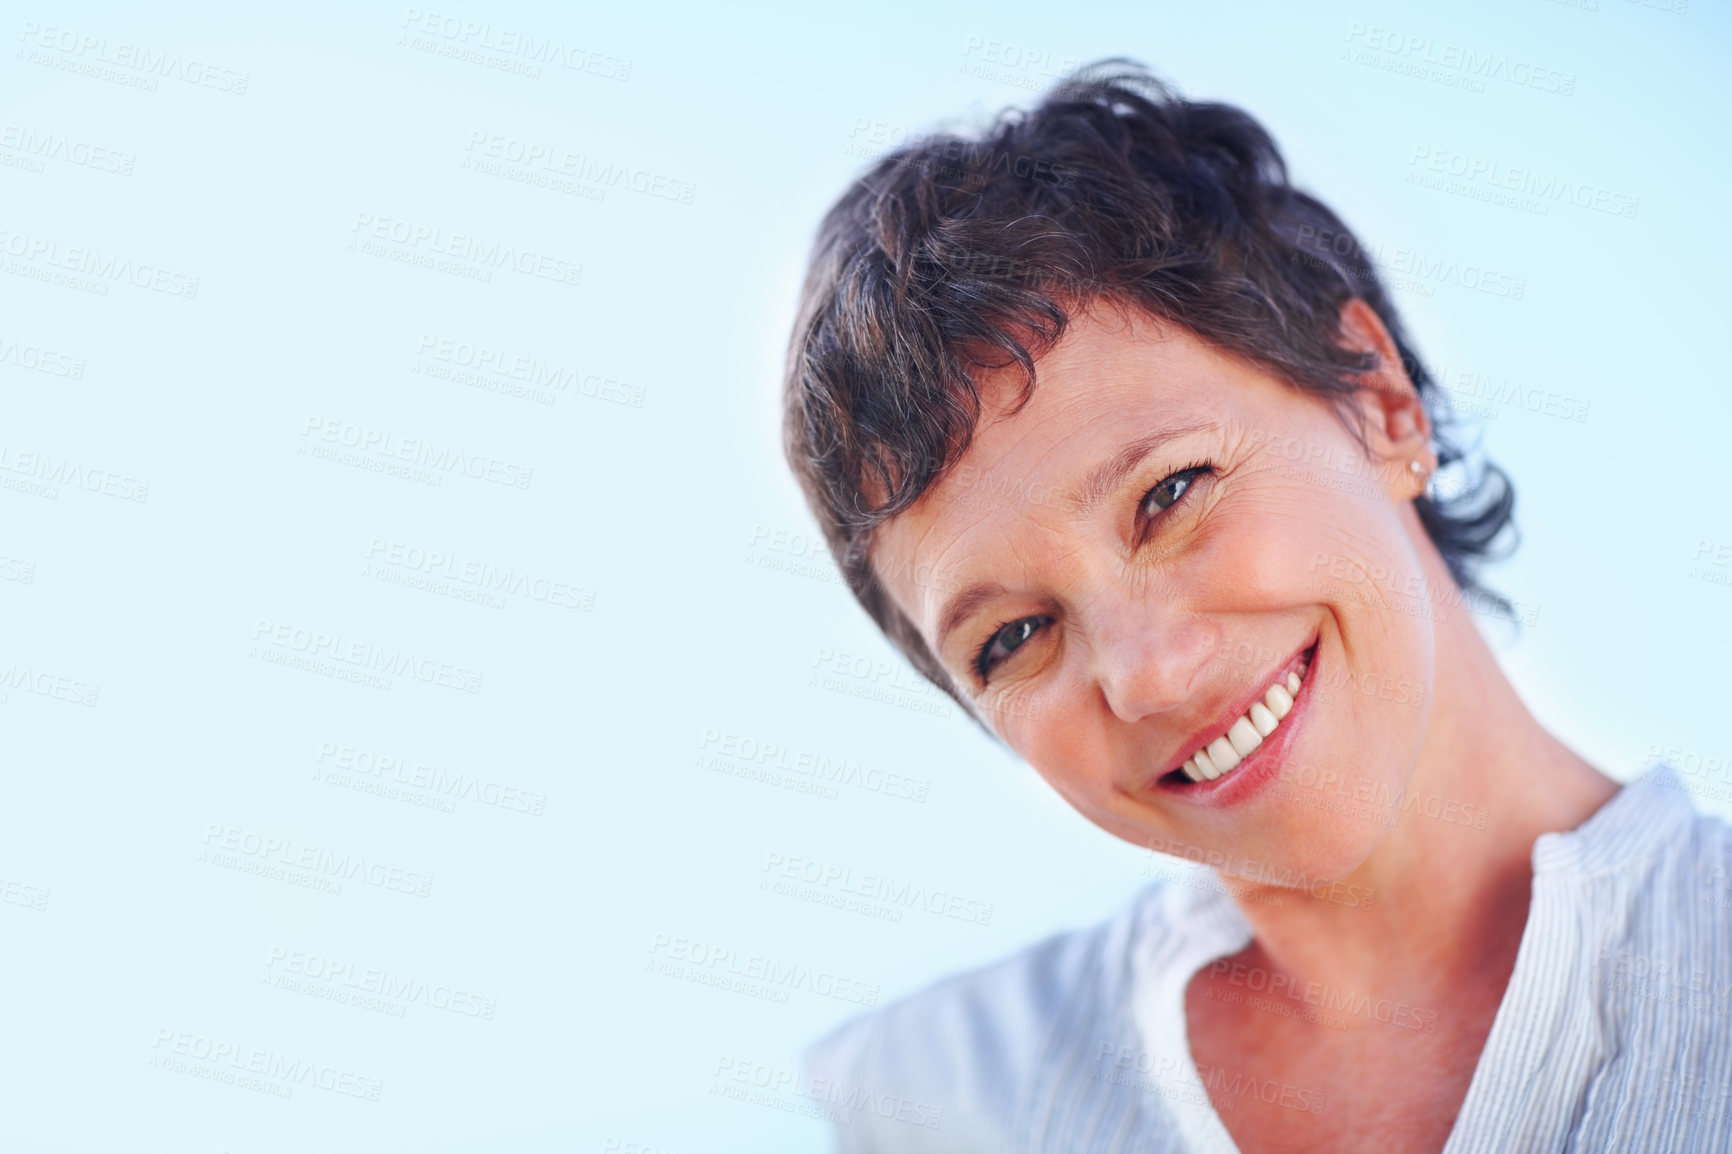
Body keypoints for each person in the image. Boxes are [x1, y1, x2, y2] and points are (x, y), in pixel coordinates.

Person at [778, 63, 1732, 1153]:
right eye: (1013, 637)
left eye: (1169, 494)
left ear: (1379, 401)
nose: (1147, 672)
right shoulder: (933, 1103)